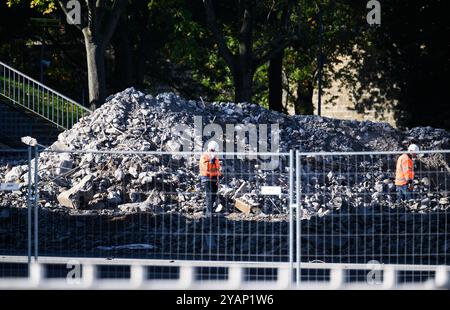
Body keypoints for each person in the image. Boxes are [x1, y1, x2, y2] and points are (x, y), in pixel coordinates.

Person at [199, 141, 221, 215]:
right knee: (209, 196)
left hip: (214, 178)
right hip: (207, 178)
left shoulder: (215, 158)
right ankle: (209, 213)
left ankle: (208, 211)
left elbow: (216, 169)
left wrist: (217, 177)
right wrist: (211, 161)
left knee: (213, 196)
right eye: (213, 151)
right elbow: (205, 168)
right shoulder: (205, 156)